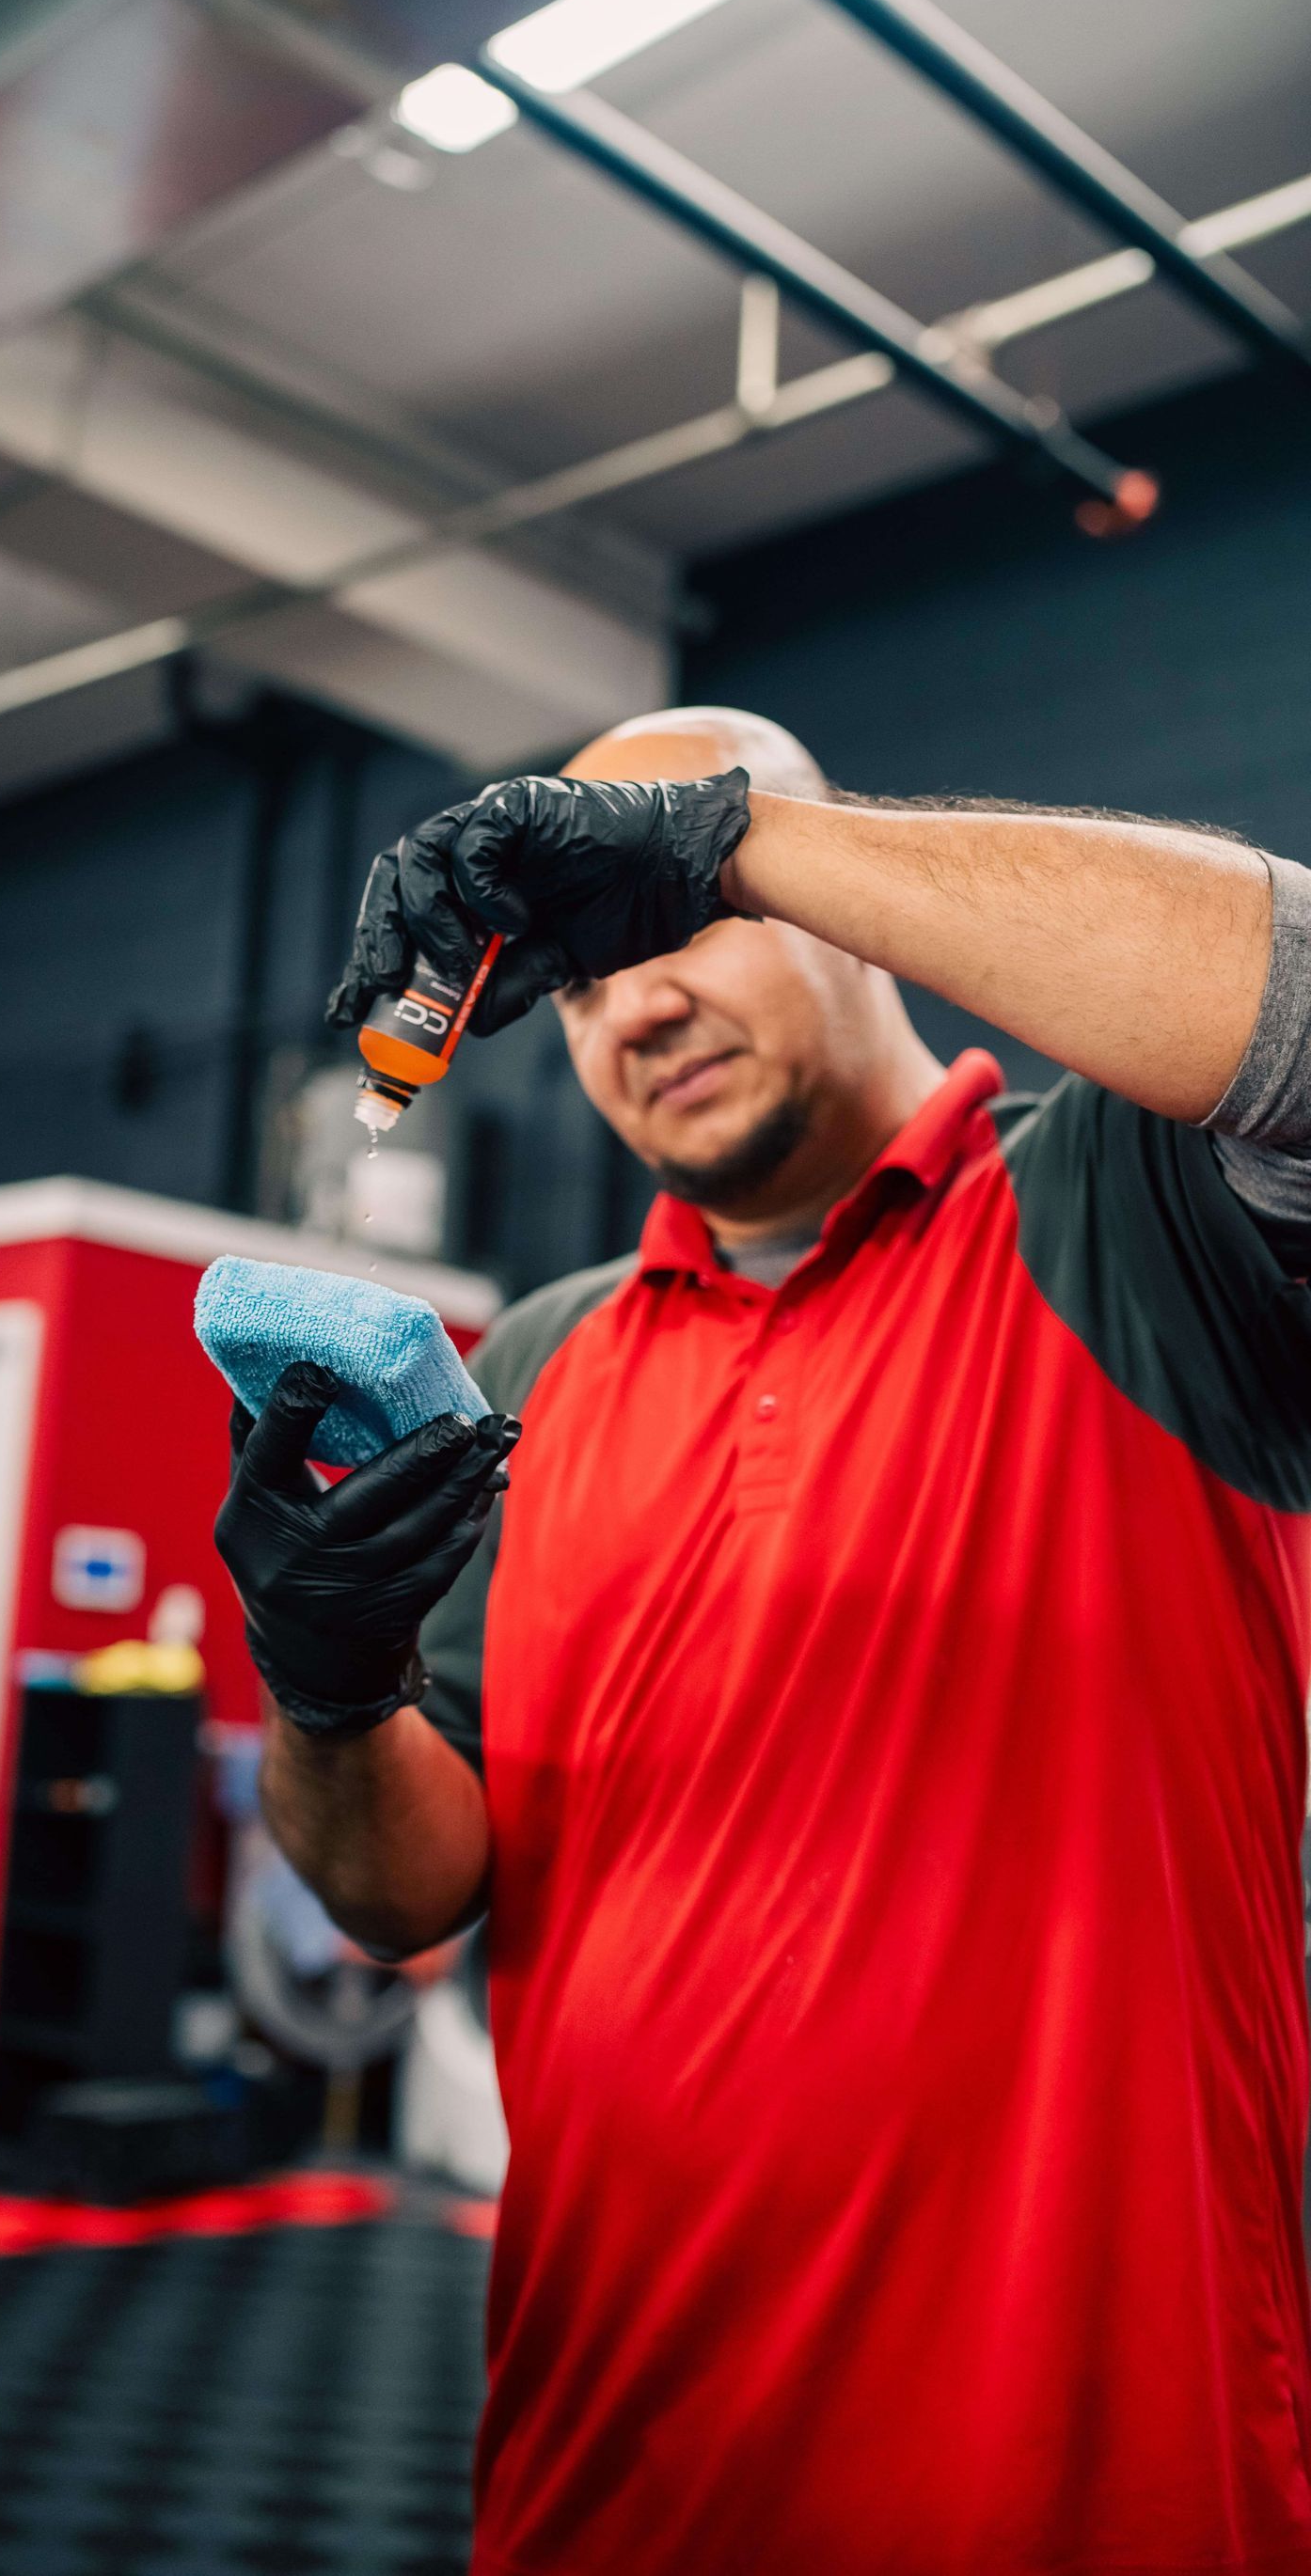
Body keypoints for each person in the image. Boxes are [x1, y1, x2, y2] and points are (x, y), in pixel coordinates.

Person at [212, 705, 1311, 2576]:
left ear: (832, 897)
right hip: (608, 2478)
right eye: (572, 982)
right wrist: (326, 1689)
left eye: (677, 931)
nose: (631, 1008)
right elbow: (408, 1891)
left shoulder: (1133, 1220)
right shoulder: (536, 1370)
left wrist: (725, 836)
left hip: (1082, 2497)